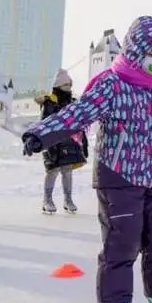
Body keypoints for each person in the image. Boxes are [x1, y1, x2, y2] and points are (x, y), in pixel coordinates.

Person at [21, 15, 152, 303]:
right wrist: (40, 134)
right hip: (118, 175)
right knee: (122, 240)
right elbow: (78, 113)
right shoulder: (111, 84)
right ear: (135, 50)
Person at [33, 68, 88, 214]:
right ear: (57, 86)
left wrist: (85, 143)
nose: (68, 88)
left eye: (69, 85)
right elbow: (46, 122)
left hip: (70, 142)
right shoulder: (50, 102)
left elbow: (80, 124)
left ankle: (68, 199)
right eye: (65, 85)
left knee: (67, 171)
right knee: (53, 170)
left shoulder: (73, 102)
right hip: (53, 142)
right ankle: (47, 199)